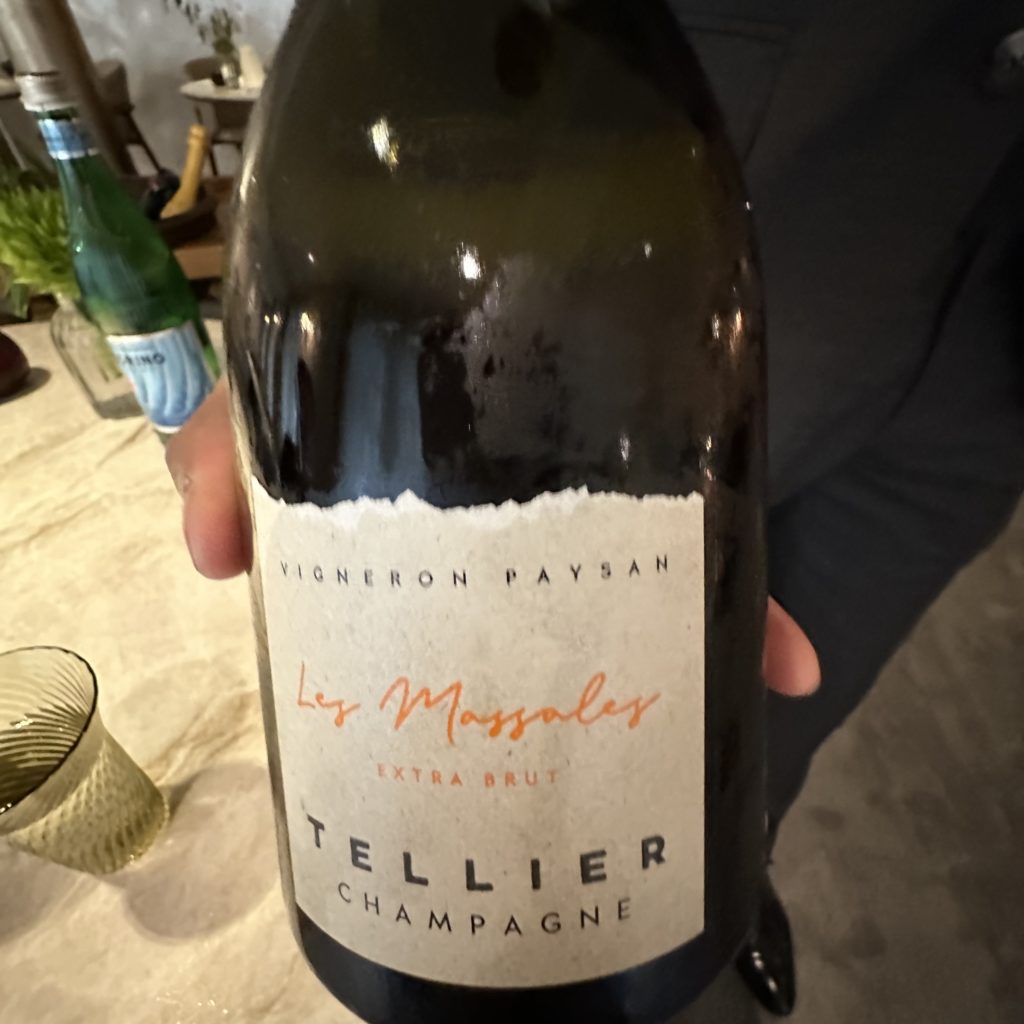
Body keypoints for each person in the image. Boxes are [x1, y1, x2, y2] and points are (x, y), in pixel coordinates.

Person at [167, 0, 1024, 1016]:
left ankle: (740, 861)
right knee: (698, 669)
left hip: (989, 339)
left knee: (767, 710)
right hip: (674, 236)